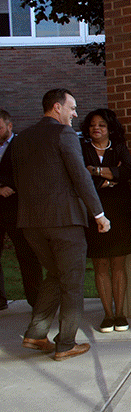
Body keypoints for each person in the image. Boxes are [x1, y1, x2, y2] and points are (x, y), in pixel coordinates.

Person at [14, 89, 110, 360]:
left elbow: (17, 179)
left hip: (31, 223)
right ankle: (66, 343)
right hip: (64, 222)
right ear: (57, 108)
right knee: (72, 282)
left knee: (55, 275)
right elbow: (80, 176)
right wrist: (99, 214)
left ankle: (35, 334)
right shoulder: (63, 134)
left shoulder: (21, 139)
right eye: (72, 108)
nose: (75, 114)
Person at [80, 109, 131, 333]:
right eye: (93, 125)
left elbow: (128, 172)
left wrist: (95, 171)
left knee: (118, 264)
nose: (97, 128)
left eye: (102, 125)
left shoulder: (119, 147)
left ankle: (120, 314)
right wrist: (110, 176)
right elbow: (81, 177)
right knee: (100, 264)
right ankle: (108, 315)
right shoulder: (82, 149)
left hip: (119, 212)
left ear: (109, 128)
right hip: (94, 212)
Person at [0, 109, 42, 310]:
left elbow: (29, 172)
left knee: (26, 255)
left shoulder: (21, 146)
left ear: (9, 126)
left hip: (17, 210)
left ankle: (36, 301)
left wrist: (11, 186)